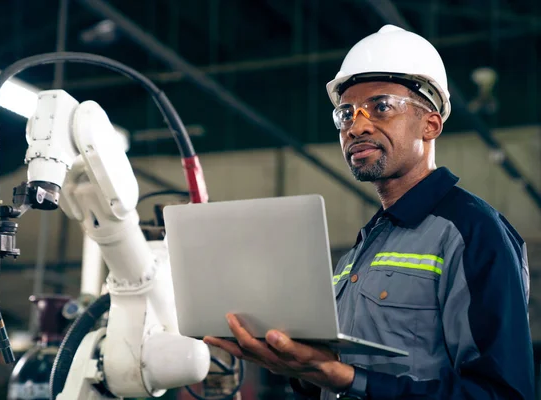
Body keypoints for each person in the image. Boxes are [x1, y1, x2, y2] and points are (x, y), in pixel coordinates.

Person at [203, 25, 535, 399]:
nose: (356, 126)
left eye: (381, 107)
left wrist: (348, 378)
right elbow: (334, 376)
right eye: (345, 114)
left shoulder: (471, 231)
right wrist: (300, 368)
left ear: (430, 124)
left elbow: (503, 394)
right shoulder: (357, 256)